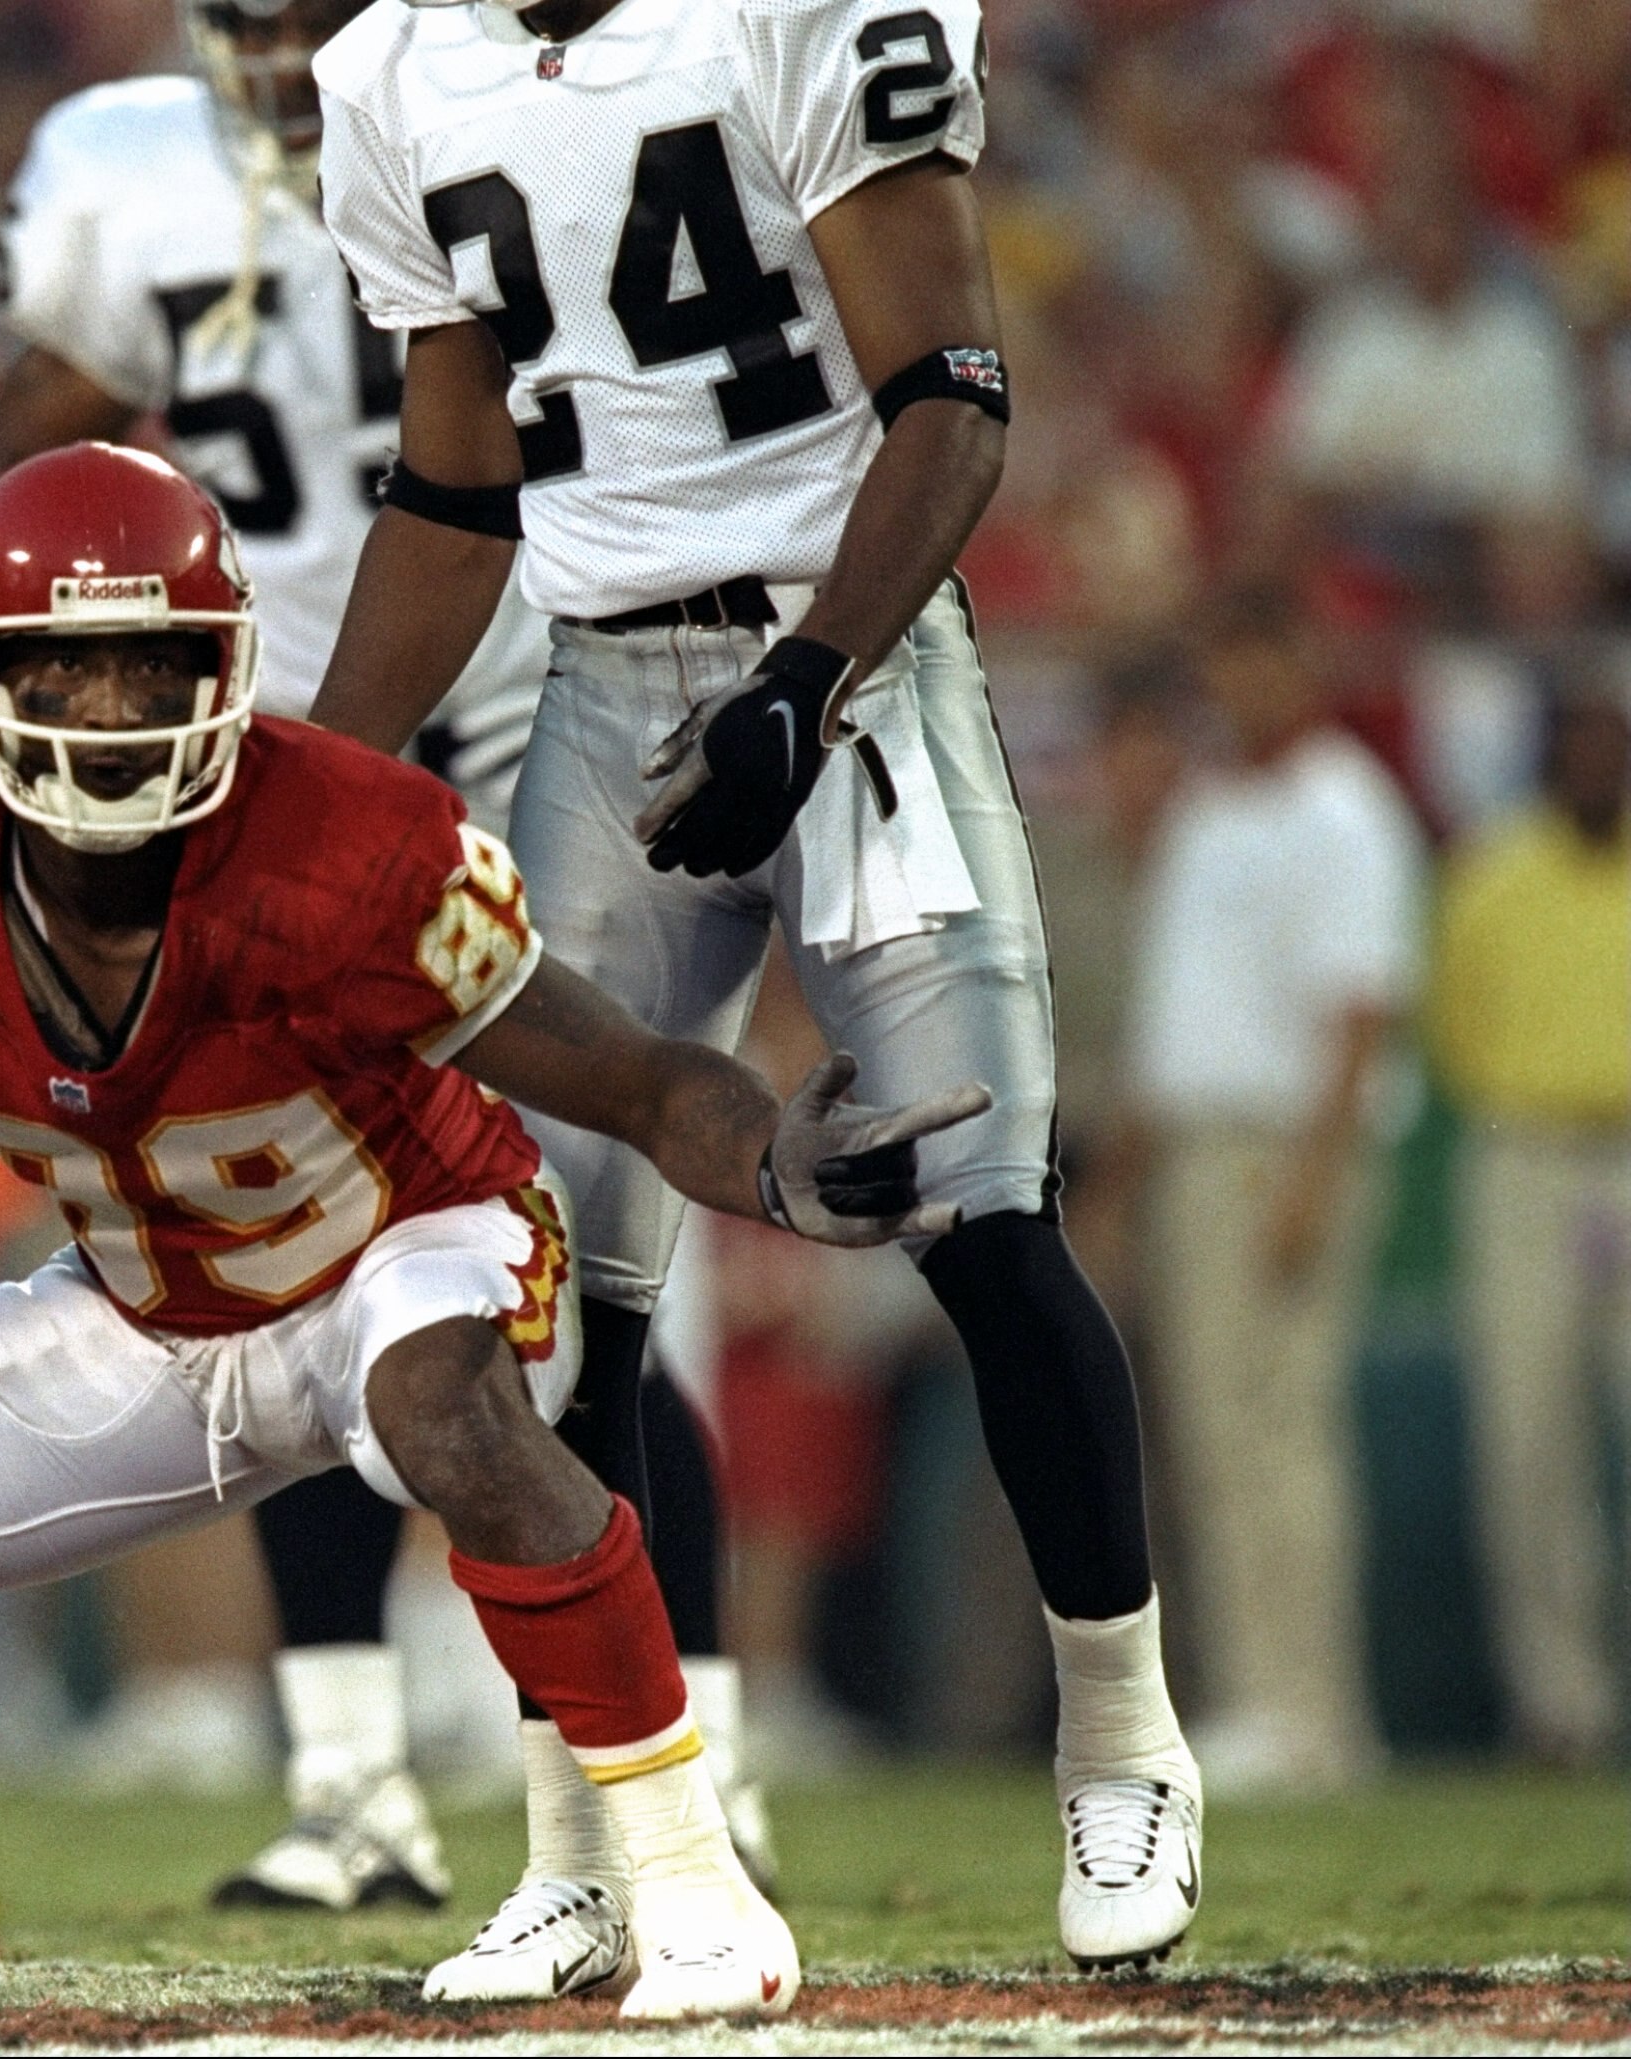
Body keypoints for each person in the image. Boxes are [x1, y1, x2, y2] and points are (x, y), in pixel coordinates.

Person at [0, 443, 989, 2016]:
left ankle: (691, 1878)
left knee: (439, 1399)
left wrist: (771, 1162)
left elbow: (628, 1074)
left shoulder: (345, 841)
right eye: (63, 668)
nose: (110, 709)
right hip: (156, 1306)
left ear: (222, 666)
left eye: (151, 662)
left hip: (416, 1238)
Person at [304, 0, 1200, 1976]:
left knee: (980, 1216)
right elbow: (457, 496)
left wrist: (805, 680)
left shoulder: (800, 11)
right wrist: (318, 790)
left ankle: (1121, 1737)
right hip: (595, 683)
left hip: (853, 659)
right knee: (545, 1303)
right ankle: (595, 1841)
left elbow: (953, 396)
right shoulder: (390, 72)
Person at [0, 0, 753, 1910]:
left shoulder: (494, 104)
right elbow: (11, 466)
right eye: (245, 14)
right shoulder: (130, 170)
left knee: (593, 1265)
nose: (273, 45)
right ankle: (348, 1772)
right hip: (258, 751)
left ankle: (693, 1749)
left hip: (535, 707)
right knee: (299, 1250)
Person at [1121, 608, 1422, 1792]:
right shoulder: (1207, 807)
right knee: (1217, 1436)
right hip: (1199, 1149)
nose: (1239, 687)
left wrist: (1313, 1179)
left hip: (1280, 1144)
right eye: (1223, 665)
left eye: (1259, 661)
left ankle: (1314, 1711)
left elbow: (1360, 1016)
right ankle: (1259, 1698)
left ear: (1302, 666)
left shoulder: (1343, 812)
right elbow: (1179, 1021)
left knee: (1282, 1429)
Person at [1432, 687, 1629, 1764]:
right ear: (1552, 759)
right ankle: (1563, 1705)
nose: (1603, 764)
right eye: (1585, 744)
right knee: (1530, 1440)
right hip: (1532, 1155)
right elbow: (1458, 1026)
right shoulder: (1495, 875)